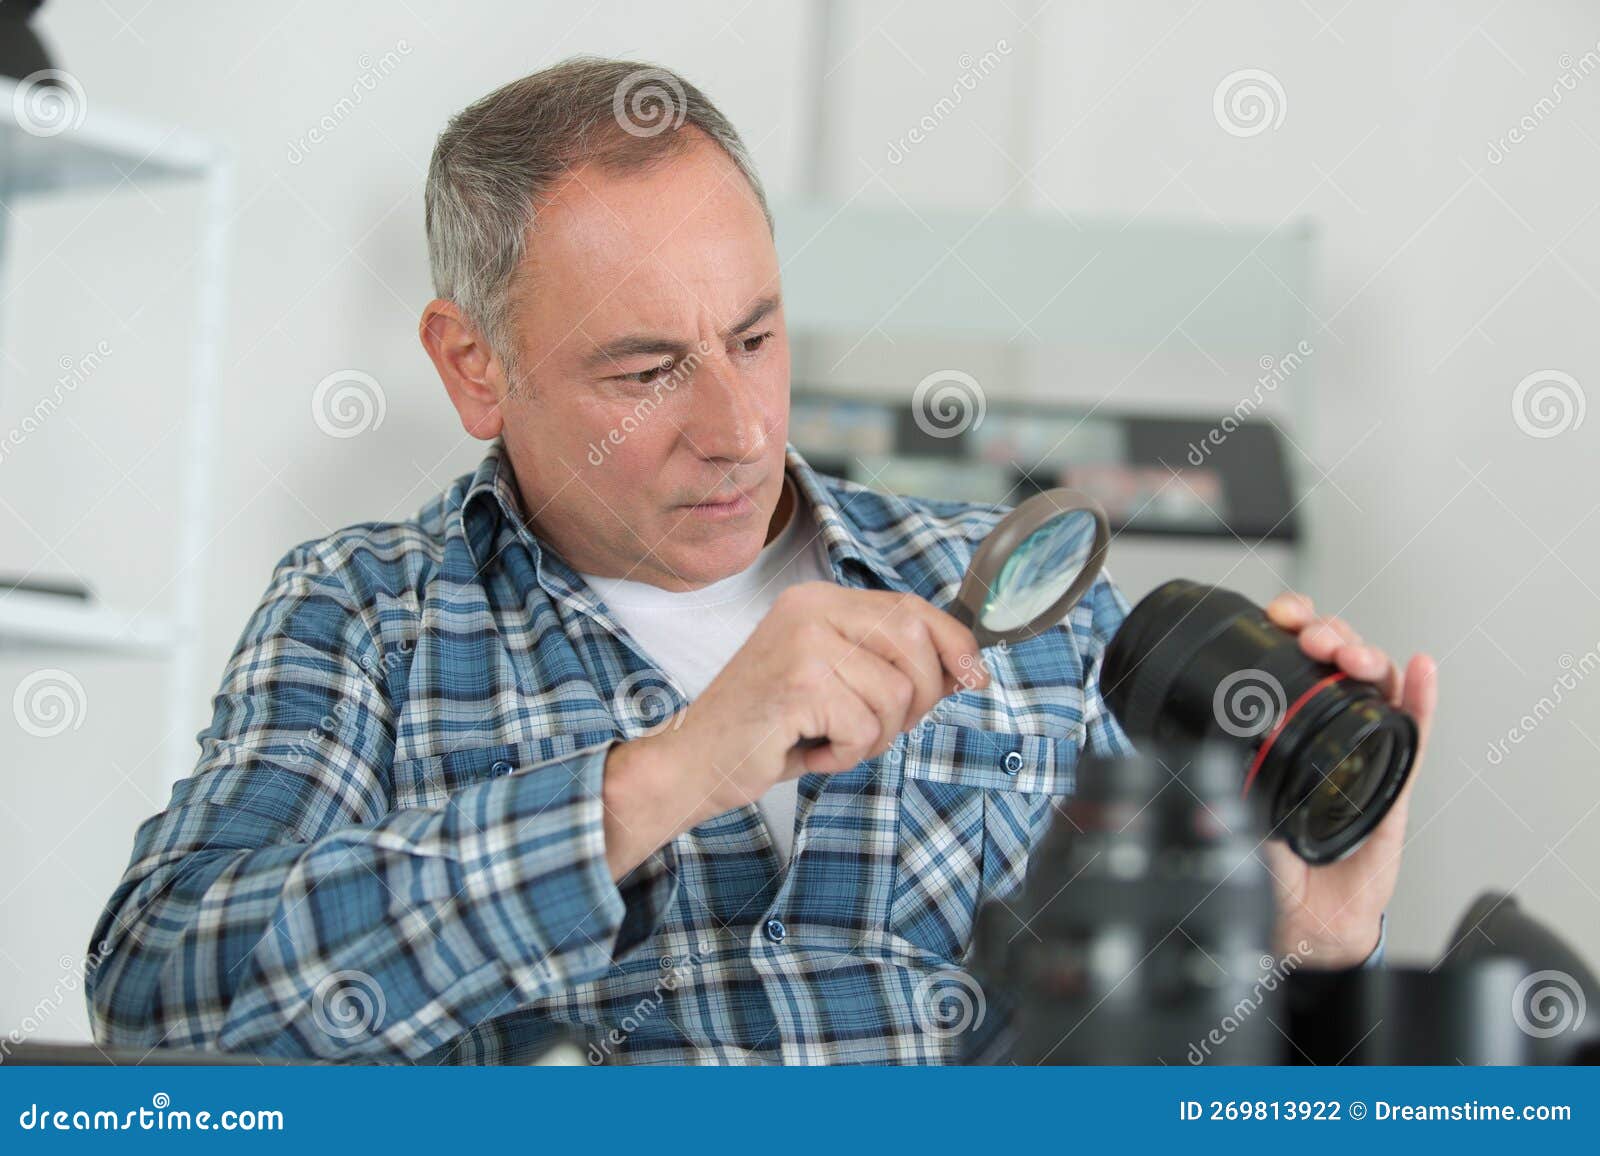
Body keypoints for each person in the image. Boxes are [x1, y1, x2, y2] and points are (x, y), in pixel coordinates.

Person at [86, 56, 1437, 1064]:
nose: (736, 432)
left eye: (755, 338)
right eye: (646, 367)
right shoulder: (368, 617)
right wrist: (661, 779)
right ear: (472, 364)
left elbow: (1163, 1072)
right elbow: (162, 995)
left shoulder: (1021, 595)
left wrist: (1305, 942)